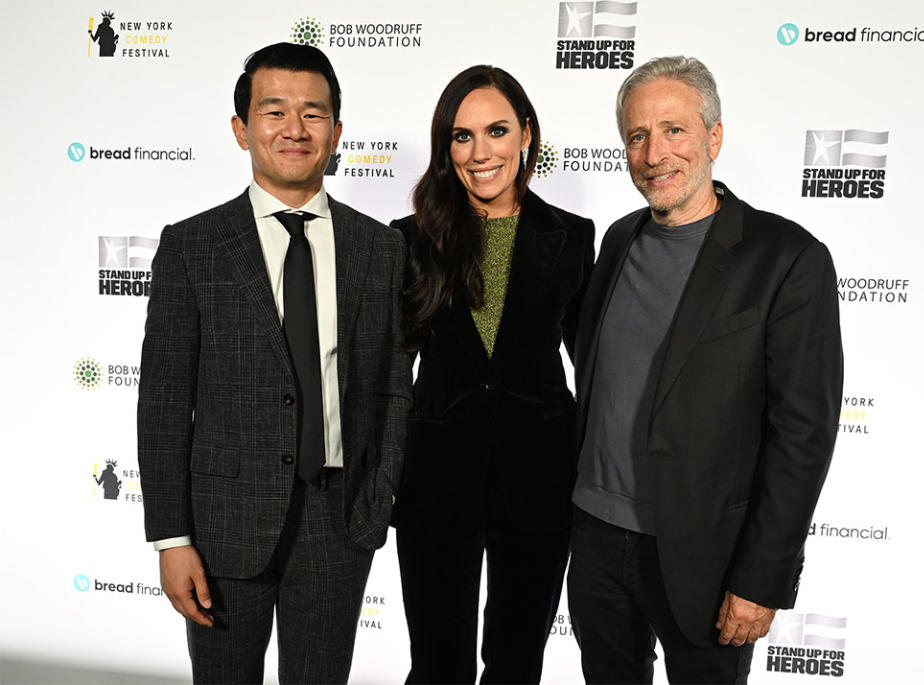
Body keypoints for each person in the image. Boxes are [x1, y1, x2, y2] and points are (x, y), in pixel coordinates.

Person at [137, 42, 411, 684]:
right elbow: (164, 402)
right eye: (274, 110)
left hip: (339, 524)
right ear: (242, 129)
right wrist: (171, 538)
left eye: (314, 114)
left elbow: (393, 389)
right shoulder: (193, 247)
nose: (295, 129)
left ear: (338, 131)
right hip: (222, 527)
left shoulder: (380, 248)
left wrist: (378, 501)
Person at [567, 55, 842, 684]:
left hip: (706, 557)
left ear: (714, 137)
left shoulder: (787, 259)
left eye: (674, 130)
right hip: (597, 541)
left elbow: (803, 435)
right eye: (637, 136)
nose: (654, 152)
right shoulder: (617, 240)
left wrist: (760, 578)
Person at [392, 65, 594, 684]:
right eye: (462, 136)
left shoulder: (573, 237)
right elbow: (388, 372)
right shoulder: (409, 240)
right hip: (435, 482)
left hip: (539, 481)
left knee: (515, 661)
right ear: (446, 148)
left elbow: (590, 364)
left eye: (497, 130)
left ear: (527, 134)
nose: (480, 153)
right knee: (436, 664)